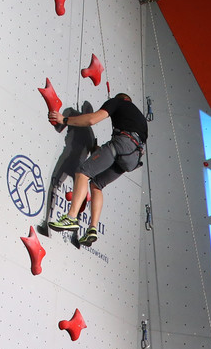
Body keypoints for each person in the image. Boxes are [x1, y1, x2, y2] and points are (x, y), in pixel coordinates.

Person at [47, 92, 148, 247]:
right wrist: (99, 152)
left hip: (122, 143)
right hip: (133, 158)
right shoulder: (140, 119)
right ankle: (92, 229)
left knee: (83, 172)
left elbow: (92, 119)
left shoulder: (118, 102)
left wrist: (64, 120)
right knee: (97, 184)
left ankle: (71, 217)